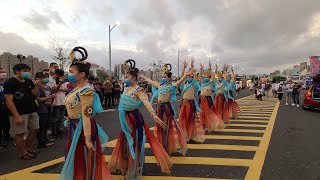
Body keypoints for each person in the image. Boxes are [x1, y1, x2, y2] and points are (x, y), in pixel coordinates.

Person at [109, 59, 172, 179]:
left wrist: (153, 114)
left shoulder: (138, 89)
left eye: (127, 76)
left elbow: (145, 101)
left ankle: (133, 169)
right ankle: (126, 166)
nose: (125, 78)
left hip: (133, 119)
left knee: (132, 143)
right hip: (125, 119)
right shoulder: (127, 88)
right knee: (124, 143)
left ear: (133, 78)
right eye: (125, 76)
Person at [60, 46, 111, 180]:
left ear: (81, 74)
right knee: (75, 158)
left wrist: (88, 139)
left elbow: (86, 115)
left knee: (87, 160)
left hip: (83, 128)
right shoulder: (75, 89)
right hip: (74, 126)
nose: (69, 74)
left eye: (71, 72)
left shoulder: (86, 91)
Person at [141, 63, 191, 156]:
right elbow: (151, 81)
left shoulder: (172, 86)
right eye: (162, 77)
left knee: (164, 127)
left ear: (168, 78)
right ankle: (162, 144)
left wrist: (185, 75)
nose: (162, 78)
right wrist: (144, 77)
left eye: (164, 77)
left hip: (166, 107)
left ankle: (165, 146)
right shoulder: (159, 85)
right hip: (159, 108)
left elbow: (180, 81)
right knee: (159, 126)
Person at [4, 63, 40, 160]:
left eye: (28, 71)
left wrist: (36, 85)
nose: (27, 73)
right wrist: (16, 116)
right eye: (25, 71)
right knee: (20, 133)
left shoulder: (28, 81)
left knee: (35, 129)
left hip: (32, 110)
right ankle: (22, 153)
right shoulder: (10, 83)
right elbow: (8, 100)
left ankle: (27, 147)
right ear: (17, 71)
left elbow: (35, 94)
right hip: (19, 112)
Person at [178, 59, 205, 142]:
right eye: (188, 77)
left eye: (190, 77)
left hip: (190, 103)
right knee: (182, 119)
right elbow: (182, 76)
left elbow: (197, 79)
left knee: (190, 119)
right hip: (184, 103)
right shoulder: (184, 84)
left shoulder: (194, 84)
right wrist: (184, 69)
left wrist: (193, 68)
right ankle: (184, 135)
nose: (188, 78)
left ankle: (189, 135)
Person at [198, 62, 225, 132]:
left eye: (207, 77)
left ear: (209, 77)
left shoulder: (211, 83)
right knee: (202, 113)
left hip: (208, 99)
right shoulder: (201, 83)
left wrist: (211, 69)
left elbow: (213, 76)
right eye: (205, 77)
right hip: (202, 99)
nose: (205, 78)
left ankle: (208, 126)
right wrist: (201, 69)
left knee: (208, 113)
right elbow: (200, 76)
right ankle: (203, 126)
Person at [35, 72, 55, 148]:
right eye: (44, 77)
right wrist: (50, 97)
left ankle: (45, 139)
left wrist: (51, 99)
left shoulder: (48, 87)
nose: (46, 79)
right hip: (41, 109)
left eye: (47, 77)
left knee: (46, 125)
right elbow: (38, 99)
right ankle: (41, 142)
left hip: (48, 108)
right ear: (39, 78)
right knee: (42, 126)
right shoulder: (38, 87)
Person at [48, 69, 68, 138]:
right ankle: (54, 132)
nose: (59, 76)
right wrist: (59, 85)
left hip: (63, 101)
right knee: (55, 117)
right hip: (56, 101)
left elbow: (66, 89)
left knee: (61, 117)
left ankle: (59, 129)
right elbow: (54, 90)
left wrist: (60, 87)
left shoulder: (61, 80)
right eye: (59, 75)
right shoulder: (51, 80)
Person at [0, 68, 13, 148]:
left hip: (6, 104)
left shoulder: (6, 83)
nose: (3, 73)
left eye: (4, 72)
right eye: (1, 72)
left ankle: (7, 137)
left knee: (6, 122)